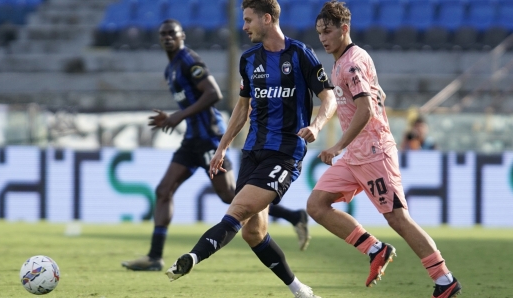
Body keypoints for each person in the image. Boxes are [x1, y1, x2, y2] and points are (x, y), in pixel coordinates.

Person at [165, 1, 337, 297]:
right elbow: (242, 108)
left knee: (239, 209)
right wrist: (221, 148)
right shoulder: (248, 60)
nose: (243, 26)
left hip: (284, 153)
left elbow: (329, 97)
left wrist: (318, 126)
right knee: (253, 232)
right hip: (252, 152)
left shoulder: (300, 54)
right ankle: (300, 290)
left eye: (248, 20)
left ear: (267, 19)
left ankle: (193, 257)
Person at [121, 19, 310, 272]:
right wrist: (178, 118)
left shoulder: (189, 60)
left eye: (172, 33)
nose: (167, 37)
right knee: (163, 190)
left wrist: (178, 116)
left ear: (182, 36)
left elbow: (213, 93)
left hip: (210, 136)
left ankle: (292, 216)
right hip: (191, 141)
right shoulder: (171, 69)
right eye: (163, 34)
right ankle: (155, 256)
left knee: (232, 198)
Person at [307, 2, 461, 298]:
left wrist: (338, 144)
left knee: (398, 218)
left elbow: (364, 108)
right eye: (319, 33)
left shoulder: (350, 63)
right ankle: (375, 249)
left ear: (344, 29)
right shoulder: (349, 59)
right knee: (316, 205)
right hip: (356, 156)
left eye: (328, 32)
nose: (323, 38)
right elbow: (374, 94)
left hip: (374, 153)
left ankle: (445, 280)